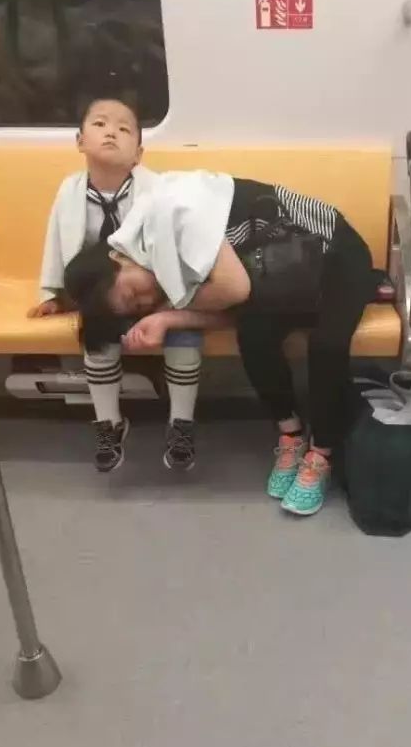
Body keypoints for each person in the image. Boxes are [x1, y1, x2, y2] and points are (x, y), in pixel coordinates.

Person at [63, 172, 374, 516]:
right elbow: (234, 312)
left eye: (132, 293)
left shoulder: (172, 215)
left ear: (118, 257)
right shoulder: (159, 266)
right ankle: (292, 437)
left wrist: (166, 316)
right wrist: (165, 318)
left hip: (333, 254)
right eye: (137, 307)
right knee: (253, 334)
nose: (146, 300)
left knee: (326, 345)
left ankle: (320, 454)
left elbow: (234, 289)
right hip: (281, 275)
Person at [28, 97, 202, 473]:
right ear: (80, 141)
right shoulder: (69, 191)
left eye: (124, 129)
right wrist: (52, 293)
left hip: (154, 289)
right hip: (102, 293)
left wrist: (163, 296)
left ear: (138, 153)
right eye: (100, 124)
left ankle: (181, 423)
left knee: (183, 336)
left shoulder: (156, 189)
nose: (111, 132)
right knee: (96, 335)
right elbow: (56, 243)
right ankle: (109, 423)